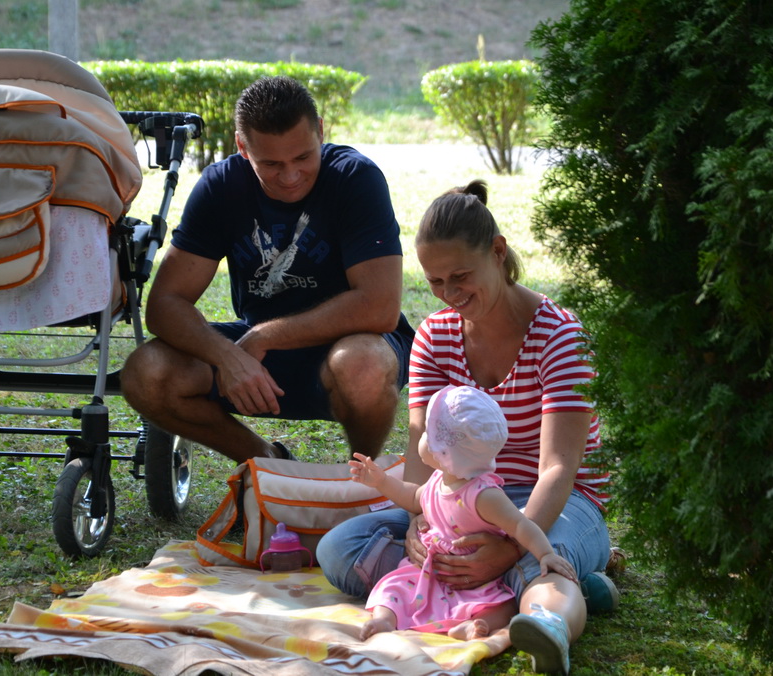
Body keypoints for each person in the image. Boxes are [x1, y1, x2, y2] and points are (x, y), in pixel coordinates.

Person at [317, 179, 614, 675]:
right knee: (341, 549)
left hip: (553, 500)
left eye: (460, 277)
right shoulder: (435, 336)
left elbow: (558, 468)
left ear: (497, 252)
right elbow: (421, 440)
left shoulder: (559, 335)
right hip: (457, 500)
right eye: (435, 281)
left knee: (541, 555)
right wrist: (419, 522)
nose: (449, 294)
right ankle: (532, 587)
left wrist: (511, 544)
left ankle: (548, 623)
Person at [120, 76, 413, 464]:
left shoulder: (355, 178)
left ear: (320, 131)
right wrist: (227, 356)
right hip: (258, 354)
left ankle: (359, 477)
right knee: (145, 372)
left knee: (362, 364)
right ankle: (268, 464)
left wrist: (263, 336)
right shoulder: (221, 186)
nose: (290, 177)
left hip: (350, 346)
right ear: (243, 147)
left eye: (303, 158)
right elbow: (164, 305)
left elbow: (380, 307)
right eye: (271, 164)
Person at [350, 384, 577, 656]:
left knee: (502, 605)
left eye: (427, 434)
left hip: (477, 577)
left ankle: (474, 626)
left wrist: (546, 554)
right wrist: (382, 481)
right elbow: (412, 496)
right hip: (429, 572)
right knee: (393, 586)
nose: (422, 437)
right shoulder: (439, 480)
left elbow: (520, 525)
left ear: (443, 452)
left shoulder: (483, 495)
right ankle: (385, 620)